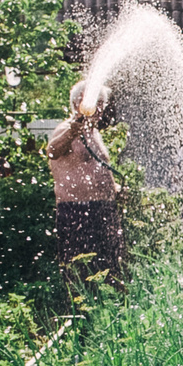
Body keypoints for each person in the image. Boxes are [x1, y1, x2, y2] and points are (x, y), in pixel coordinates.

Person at [47, 75, 124, 284]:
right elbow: (52, 151)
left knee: (111, 266)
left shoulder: (94, 133)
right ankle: (81, 311)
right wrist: (73, 130)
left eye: (101, 103)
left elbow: (93, 168)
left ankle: (110, 310)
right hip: (77, 211)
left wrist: (114, 188)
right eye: (94, 103)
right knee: (80, 271)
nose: (99, 108)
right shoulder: (66, 130)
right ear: (78, 103)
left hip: (103, 208)